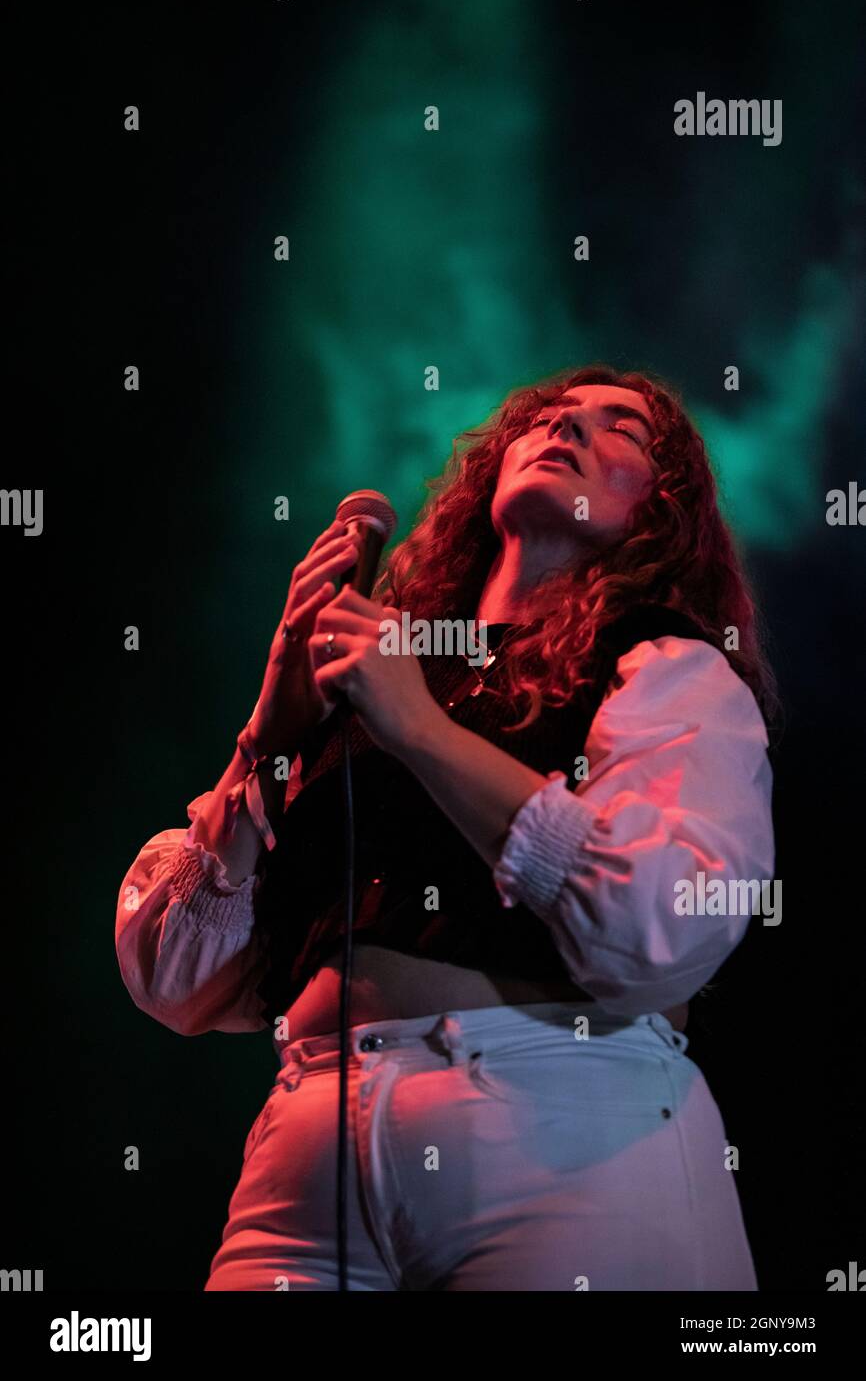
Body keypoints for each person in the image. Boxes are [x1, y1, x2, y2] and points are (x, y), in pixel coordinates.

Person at [115, 363, 777, 1291]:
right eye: (548, 415)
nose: (567, 427)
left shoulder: (668, 668)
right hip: (307, 1145)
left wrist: (420, 731)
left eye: (618, 428)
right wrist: (269, 733)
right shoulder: (378, 674)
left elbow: (664, 926)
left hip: (563, 1127)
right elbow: (173, 980)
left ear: (662, 514)